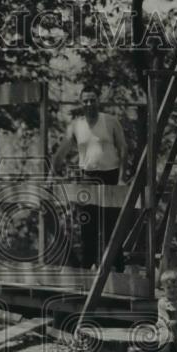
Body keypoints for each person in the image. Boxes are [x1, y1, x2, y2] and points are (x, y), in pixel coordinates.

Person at [51, 84, 128, 272]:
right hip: (87, 176)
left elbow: (123, 148)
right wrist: (51, 174)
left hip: (110, 175)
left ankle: (117, 267)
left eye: (92, 100)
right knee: (87, 223)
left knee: (112, 224)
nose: (89, 104)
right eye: (85, 100)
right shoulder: (76, 126)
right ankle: (87, 268)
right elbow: (62, 152)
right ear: (81, 103)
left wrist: (122, 177)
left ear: (98, 101)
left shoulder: (110, 121)